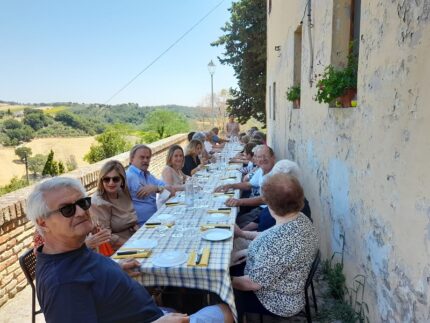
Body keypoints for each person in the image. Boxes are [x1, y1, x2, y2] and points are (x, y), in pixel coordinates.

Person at [27, 177, 233, 323]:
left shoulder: (70, 249)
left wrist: (116, 267)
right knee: (228, 309)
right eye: (67, 209)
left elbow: (89, 273)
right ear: (42, 222)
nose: (81, 212)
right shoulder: (64, 283)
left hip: (151, 311)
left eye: (83, 203)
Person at [231, 173, 319, 319]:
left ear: (270, 204)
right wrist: (242, 233)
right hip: (286, 284)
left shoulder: (276, 241)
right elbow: (267, 235)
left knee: (222, 293)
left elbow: (252, 283)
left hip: (277, 301)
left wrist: (225, 280)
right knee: (232, 259)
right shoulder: (299, 218)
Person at [214, 145, 276, 228]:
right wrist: (231, 185)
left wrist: (239, 201)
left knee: (232, 225)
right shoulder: (261, 170)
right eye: (259, 157)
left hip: (268, 211)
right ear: (255, 159)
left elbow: (264, 199)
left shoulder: (276, 175)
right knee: (230, 220)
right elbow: (248, 184)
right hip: (260, 208)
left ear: (273, 157)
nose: (262, 159)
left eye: (265, 156)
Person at [90, 160, 138, 251]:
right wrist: (132, 245)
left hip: (133, 238)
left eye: (115, 179)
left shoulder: (123, 192)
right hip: (118, 248)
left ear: (122, 180)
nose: (111, 183)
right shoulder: (98, 202)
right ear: (101, 180)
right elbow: (106, 237)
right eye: (106, 179)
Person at [126, 144, 175, 225]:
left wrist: (156, 188)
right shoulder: (128, 177)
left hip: (154, 220)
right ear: (132, 159)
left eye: (148, 158)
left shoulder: (149, 177)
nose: (145, 160)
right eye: (142, 157)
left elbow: (172, 191)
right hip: (140, 225)